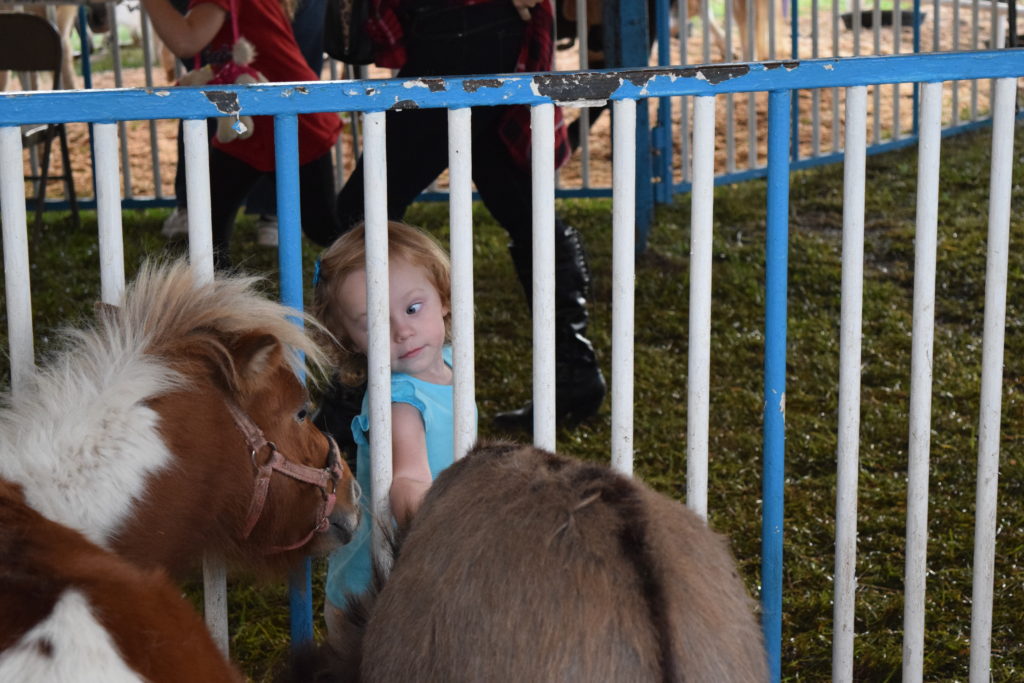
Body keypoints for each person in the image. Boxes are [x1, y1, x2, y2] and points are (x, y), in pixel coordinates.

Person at [334, 0, 606, 433]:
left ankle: (351, 389)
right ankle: (575, 372)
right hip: (485, 31)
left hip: (458, 33)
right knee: (522, 210)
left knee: (360, 211)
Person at [311, 221, 476, 634]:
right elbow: (406, 480)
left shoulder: (452, 362)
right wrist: (446, 525)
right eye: (374, 323)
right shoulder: (400, 401)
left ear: (444, 297)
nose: (401, 330)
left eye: (412, 308)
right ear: (350, 340)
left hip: (423, 568)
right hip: (373, 594)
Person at [142, 0, 341, 267]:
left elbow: (187, 40)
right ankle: (216, 292)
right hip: (252, 124)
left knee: (324, 228)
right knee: (209, 216)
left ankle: (381, 261)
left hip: (291, 121)